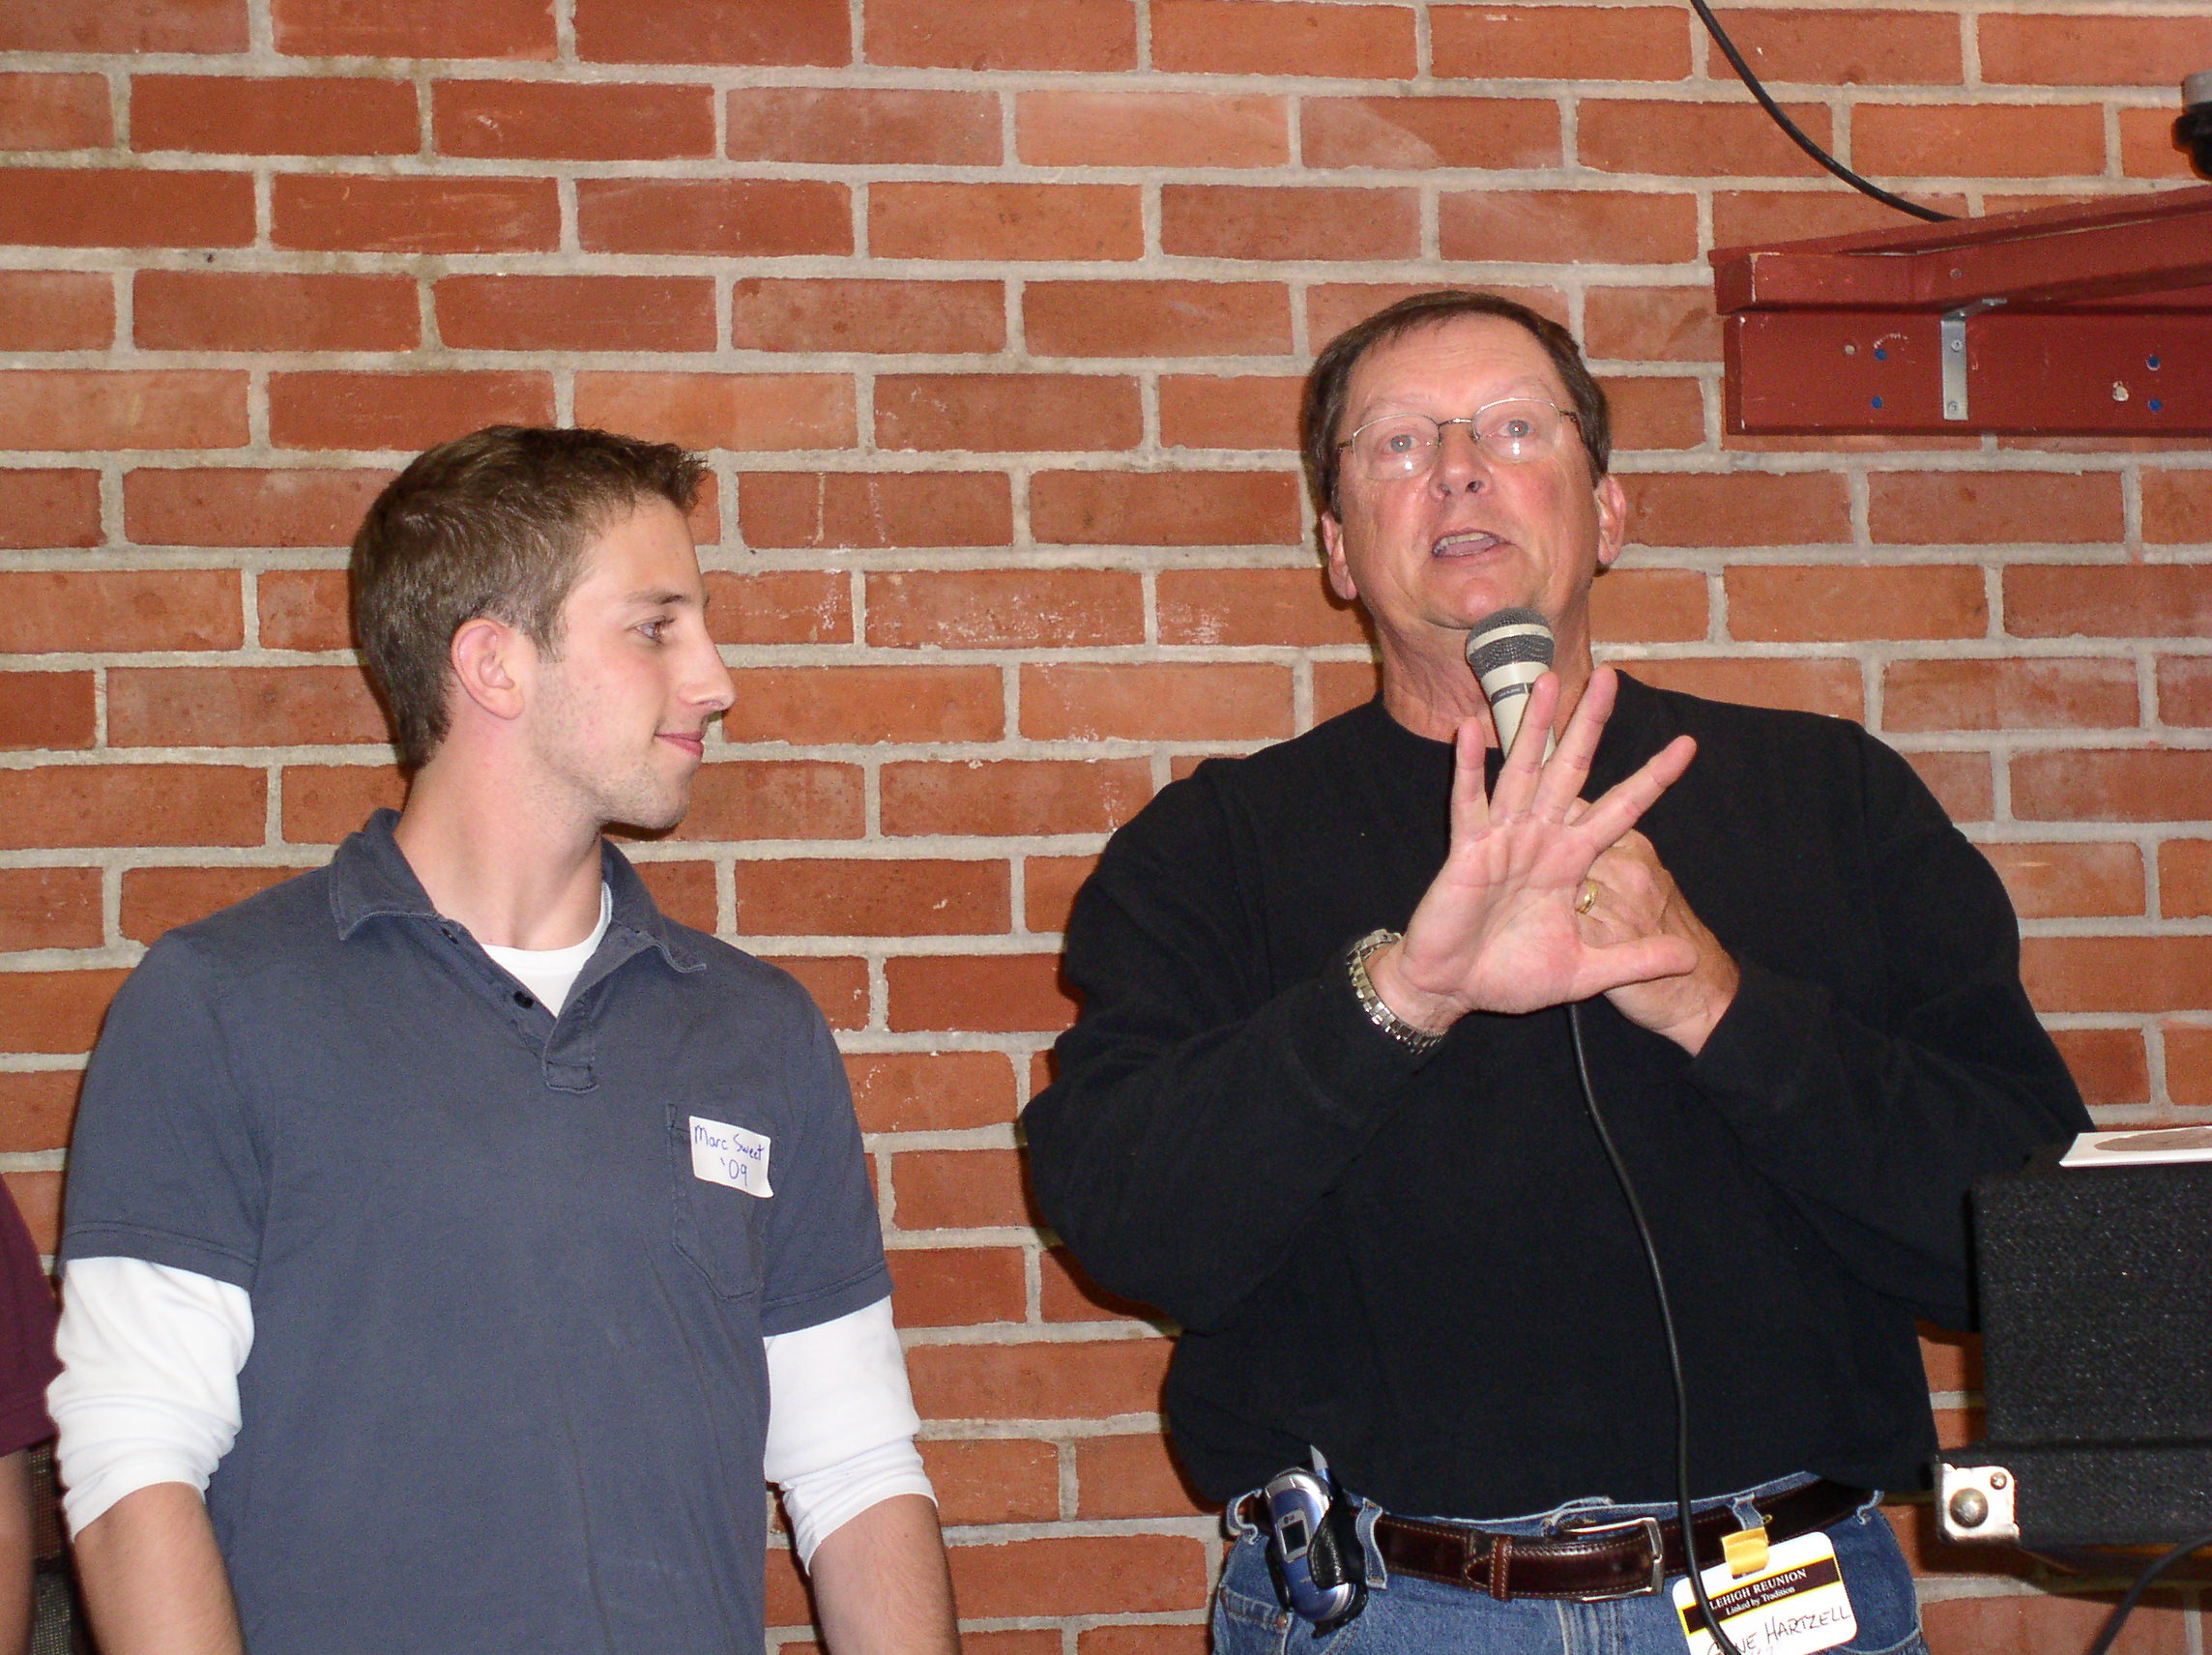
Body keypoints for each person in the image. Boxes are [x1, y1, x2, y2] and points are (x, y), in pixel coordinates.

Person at [1023, 291, 2090, 1654]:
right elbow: (1125, 1224)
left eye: (1514, 429)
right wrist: (1397, 998)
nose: (1458, 468)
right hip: (1384, 1611)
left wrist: (1714, 1000)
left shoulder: (1829, 798)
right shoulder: (1212, 845)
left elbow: (2026, 1244)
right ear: (1336, 547)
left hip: (1779, 1595)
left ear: (1609, 512)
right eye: (1398, 443)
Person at [48, 426, 960, 1655]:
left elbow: (854, 1467)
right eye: (656, 627)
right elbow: (132, 1465)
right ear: (493, 663)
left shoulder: (758, 1030)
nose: (714, 678)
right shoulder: (217, 1005)